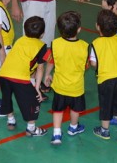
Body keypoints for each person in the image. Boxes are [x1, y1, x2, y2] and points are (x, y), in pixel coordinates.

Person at [0, 16, 48, 137]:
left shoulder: (20, 40)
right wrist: (37, 87)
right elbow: (40, 68)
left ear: (25, 30)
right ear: (42, 34)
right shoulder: (42, 46)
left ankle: (11, 120)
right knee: (34, 100)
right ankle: (31, 128)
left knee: (7, 97)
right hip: (20, 78)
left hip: (3, 74)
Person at [44, 11, 89, 145]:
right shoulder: (85, 47)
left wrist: (47, 74)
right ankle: (73, 128)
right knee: (75, 109)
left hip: (60, 86)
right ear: (79, 29)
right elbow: (86, 66)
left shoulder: (55, 43)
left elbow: (51, 61)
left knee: (58, 110)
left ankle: (56, 133)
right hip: (76, 87)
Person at [90, 9, 117, 143]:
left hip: (106, 80)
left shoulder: (96, 43)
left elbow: (93, 62)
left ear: (98, 26)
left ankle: (105, 130)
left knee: (106, 104)